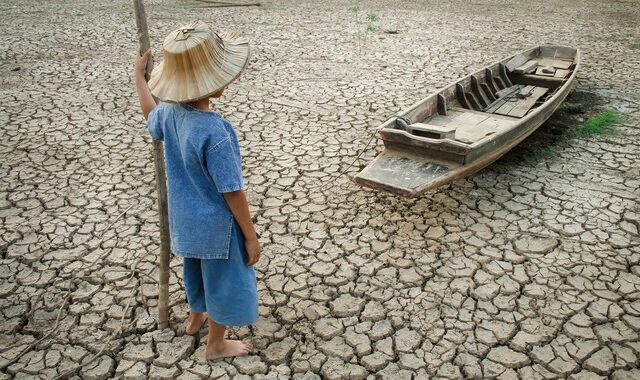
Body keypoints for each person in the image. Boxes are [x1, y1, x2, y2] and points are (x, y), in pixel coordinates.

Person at [133, 21, 260, 360]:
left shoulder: (171, 114)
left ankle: (194, 318)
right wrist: (249, 235)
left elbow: (150, 115)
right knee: (222, 281)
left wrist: (139, 79)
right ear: (217, 83)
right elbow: (232, 191)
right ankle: (216, 344)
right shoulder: (216, 132)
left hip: (185, 222)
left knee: (195, 272)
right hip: (217, 228)